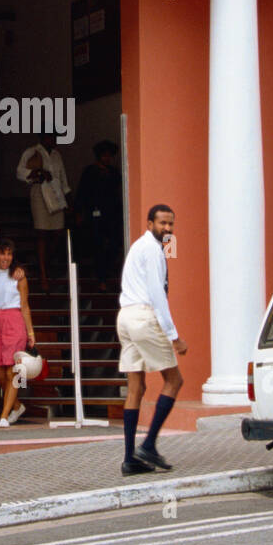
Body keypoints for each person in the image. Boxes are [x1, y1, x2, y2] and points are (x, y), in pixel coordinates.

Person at [116, 204, 187, 476]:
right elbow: (158, 296)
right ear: (149, 224)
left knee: (136, 388)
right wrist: (174, 336)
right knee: (174, 380)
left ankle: (129, 459)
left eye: (171, 224)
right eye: (162, 224)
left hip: (126, 316)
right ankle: (148, 445)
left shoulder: (137, 247)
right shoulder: (153, 250)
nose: (167, 229)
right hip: (143, 316)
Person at [0, 237, 36, 429]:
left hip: (14, 321)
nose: (6, 257)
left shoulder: (18, 276)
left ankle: (4, 415)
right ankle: (17, 406)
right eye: (2, 253)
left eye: (9, 253)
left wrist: (30, 332)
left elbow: (24, 305)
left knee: (12, 372)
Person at [16, 136, 70, 292]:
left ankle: (45, 262)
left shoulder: (56, 155)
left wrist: (68, 200)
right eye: (51, 136)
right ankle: (43, 273)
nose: (54, 140)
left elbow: (63, 180)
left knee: (58, 232)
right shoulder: (32, 151)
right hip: (40, 193)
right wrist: (37, 171)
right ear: (44, 137)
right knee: (42, 233)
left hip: (56, 194)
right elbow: (20, 171)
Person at [74, 139, 123, 290]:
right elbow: (81, 194)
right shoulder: (89, 172)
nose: (107, 158)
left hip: (113, 216)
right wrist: (79, 213)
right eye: (104, 155)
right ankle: (101, 278)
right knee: (98, 247)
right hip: (94, 216)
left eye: (109, 155)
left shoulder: (114, 173)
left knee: (114, 246)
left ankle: (107, 274)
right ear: (99, 156)